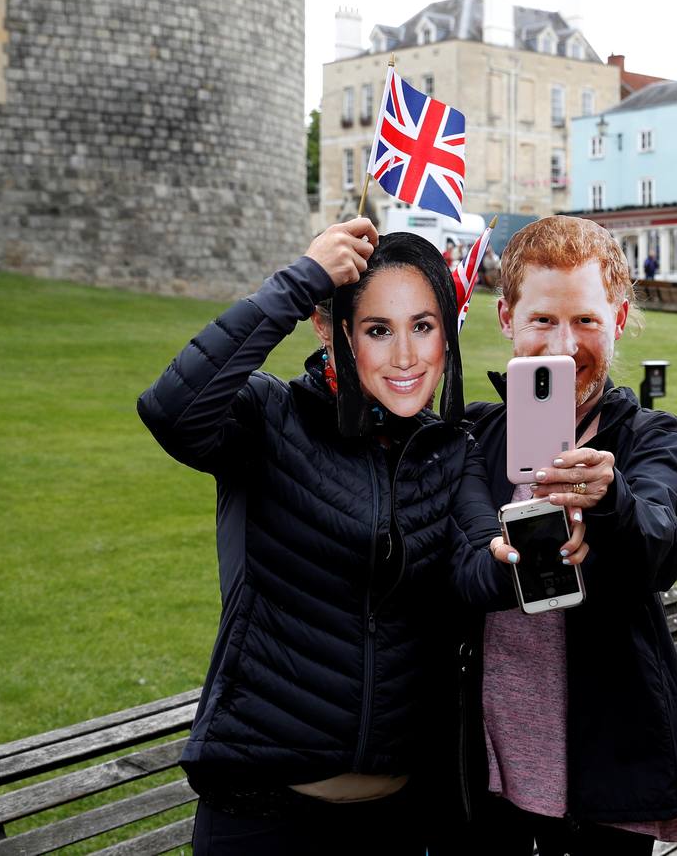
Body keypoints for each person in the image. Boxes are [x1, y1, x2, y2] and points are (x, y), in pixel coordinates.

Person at [136, 222, 571, 854]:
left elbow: (476, 564)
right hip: (264, 816)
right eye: (377, 329)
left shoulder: (452, 450)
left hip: (393, 821)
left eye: (423, 327)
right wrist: (300, 282)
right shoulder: (271, 418)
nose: (404, 356)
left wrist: (528, 545)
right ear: (335, 331)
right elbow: (171, 410)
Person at [454, 216, 677, 855]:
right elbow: (456, 568)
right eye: (543, 319)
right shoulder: (469, 436)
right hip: (482, 773)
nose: (566, 345)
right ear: (506, 318)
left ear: (619, 319)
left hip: (606, 771)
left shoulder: (655, 440)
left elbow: (658, 548)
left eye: (587, 321)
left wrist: (609, 502)